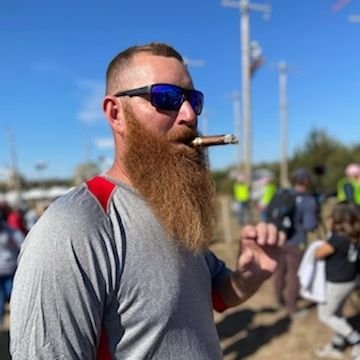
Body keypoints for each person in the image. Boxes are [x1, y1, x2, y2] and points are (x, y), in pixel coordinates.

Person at [10, 42, 284, 359]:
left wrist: (250, 276)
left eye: (193, 100)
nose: (190, 115)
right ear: (116, 114)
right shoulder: (73, 228)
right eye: (165, 98)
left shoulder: (175, 205)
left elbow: (212, 295)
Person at [314, 202, 360, 359]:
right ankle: (337, 344)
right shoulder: (355, 235)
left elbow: (319, 253)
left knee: (325, 315)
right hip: (351, 279)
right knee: (337, 313)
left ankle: (356, 341)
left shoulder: (337, 238)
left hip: (337, 283)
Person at [273, 168, 318, 316]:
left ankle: (279, 299)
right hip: (296, 241)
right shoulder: (309, 200)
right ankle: (292, 307)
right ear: (307, 181)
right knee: (294, 274)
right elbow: (309, 225)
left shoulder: (283, 194)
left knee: (280, 271)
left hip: (279, 239)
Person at [0, 203, 24, 330]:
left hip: (10, 271)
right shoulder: (9, 231)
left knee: (15, 300)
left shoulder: (9, 230)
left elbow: (22, 243)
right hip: (5, 272)